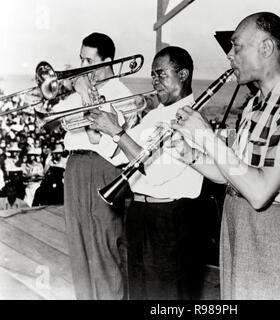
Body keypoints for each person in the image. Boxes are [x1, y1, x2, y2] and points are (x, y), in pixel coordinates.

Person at [169, 12, 280, 300]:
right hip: (238, 222)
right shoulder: (255, 104)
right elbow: (232, 174)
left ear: (266, 48)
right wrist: (189, 153)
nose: (229, 55)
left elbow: (260, 192)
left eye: (237, 46)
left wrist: (205, 136)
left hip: (274, 230)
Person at [87, 46, 206, 300]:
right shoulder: (155, 115)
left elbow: (155, 171)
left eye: (161, 74)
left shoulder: (192, 117)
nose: (154, 82)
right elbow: (120, 156)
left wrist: (119, 133)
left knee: (167, 296)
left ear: (183, 74)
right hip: (140, 214)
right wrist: (109, 127)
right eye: (152, 75)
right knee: (140, 291)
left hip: (169, 219)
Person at [53, 32, 134, 300]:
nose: (81, 66)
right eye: (80, 59)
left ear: (107, 61)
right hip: (75, 165)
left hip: (101, 169)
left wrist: (85, 94)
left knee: (102, 250)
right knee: (79, 249)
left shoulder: (120, 93)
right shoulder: (83, 89)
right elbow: (52, 120)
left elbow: (96, 136)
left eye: (88, 60)